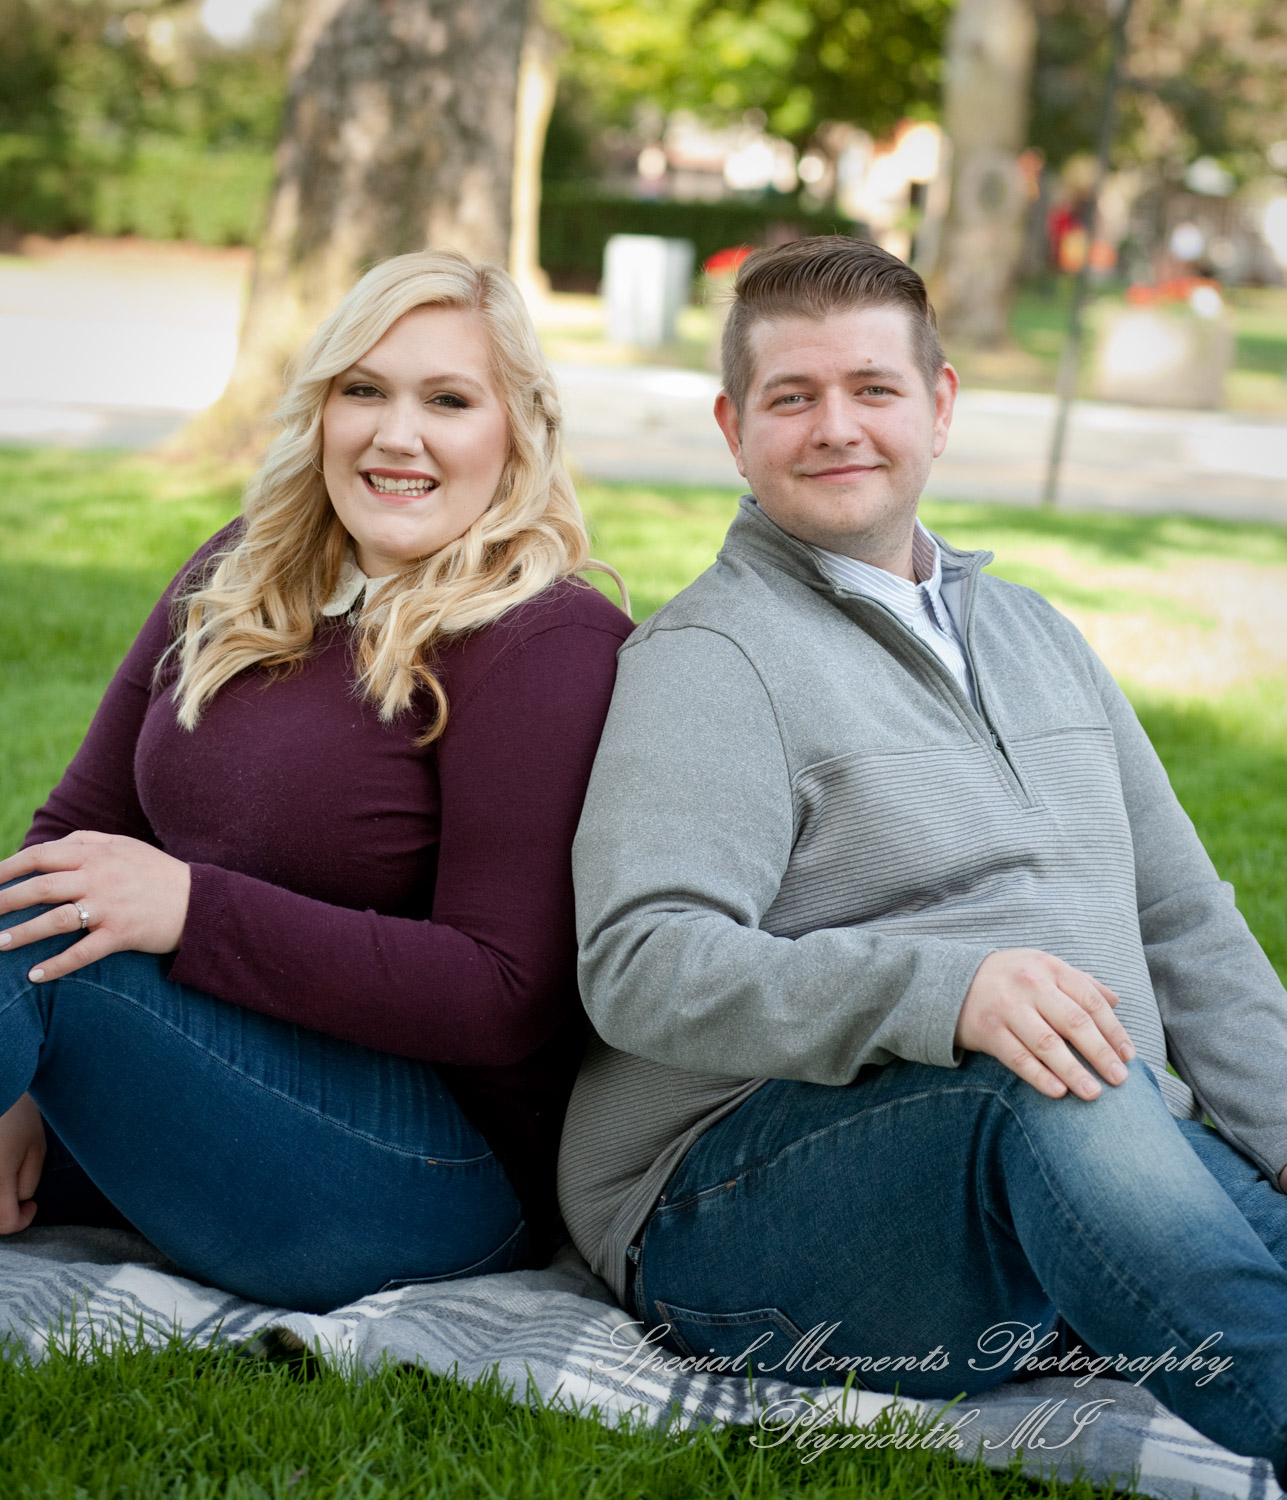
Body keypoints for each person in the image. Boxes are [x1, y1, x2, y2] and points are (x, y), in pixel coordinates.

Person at [559, 235, 1287, 1474]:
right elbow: (641, 959)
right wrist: (948, 991)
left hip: (1081, 1137)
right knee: (1049, 1076)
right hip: (729, 1202)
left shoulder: (1033, 631)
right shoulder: (713, 660)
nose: (836, 426)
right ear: (736, 428)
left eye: (873, 389)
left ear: (939, 408)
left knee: (1149, 1145)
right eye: (794, 397)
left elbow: (1186, 926)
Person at [0, 249, 633, 1313]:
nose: (398, 434)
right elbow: (74, 827)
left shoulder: (546, 642)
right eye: (363, 390)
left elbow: (504, 997)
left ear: (518, 427)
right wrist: (19, 1085)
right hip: (217, 1075)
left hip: (435, 1181)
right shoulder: (240, 569)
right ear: (321, 410)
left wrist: (193, 913)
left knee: (68, 935)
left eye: (448, 399)